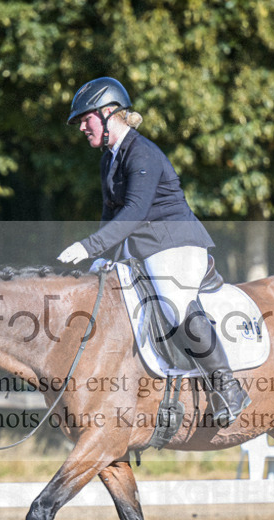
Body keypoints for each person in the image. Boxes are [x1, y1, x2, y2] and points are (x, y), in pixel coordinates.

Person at [57, 77, 250, 427]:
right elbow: (111, 215)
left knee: (173, 303)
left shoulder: (142, 152)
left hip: (177, 243)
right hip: (142, 249)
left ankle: (228, 387)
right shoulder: (109, 161)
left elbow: (134, 212)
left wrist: (89, 245)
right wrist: (100, 257)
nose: (82, 127)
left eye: (86, 119)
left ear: (108, 112)